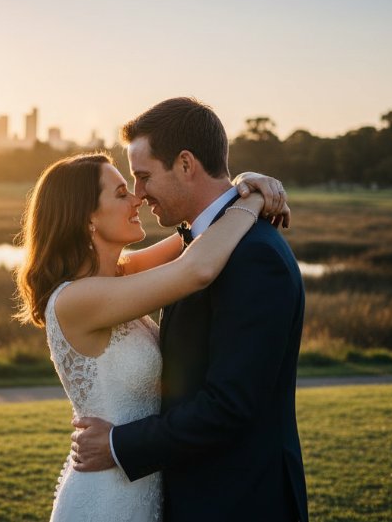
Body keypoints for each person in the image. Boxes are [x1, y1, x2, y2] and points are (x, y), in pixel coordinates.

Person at [15, 147, 290, 520]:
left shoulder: (119, 275)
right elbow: (197, 268)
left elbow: (199, 231)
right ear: (86, 219)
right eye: (121, 193)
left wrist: (241, 187)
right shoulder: (77, 299)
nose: (138, 198)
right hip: (107, 496)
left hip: (141, 483)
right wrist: (252, 202)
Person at [68, 97, 309, 521]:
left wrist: (117, 444)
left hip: (240, 502)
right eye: (127, 186)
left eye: (142, 177)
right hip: (191, 497)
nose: (139, 195)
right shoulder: (200, 249)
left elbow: (229, 405)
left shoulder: (254, 258)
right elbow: (193, 266)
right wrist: (248, 194)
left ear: (185, 164)